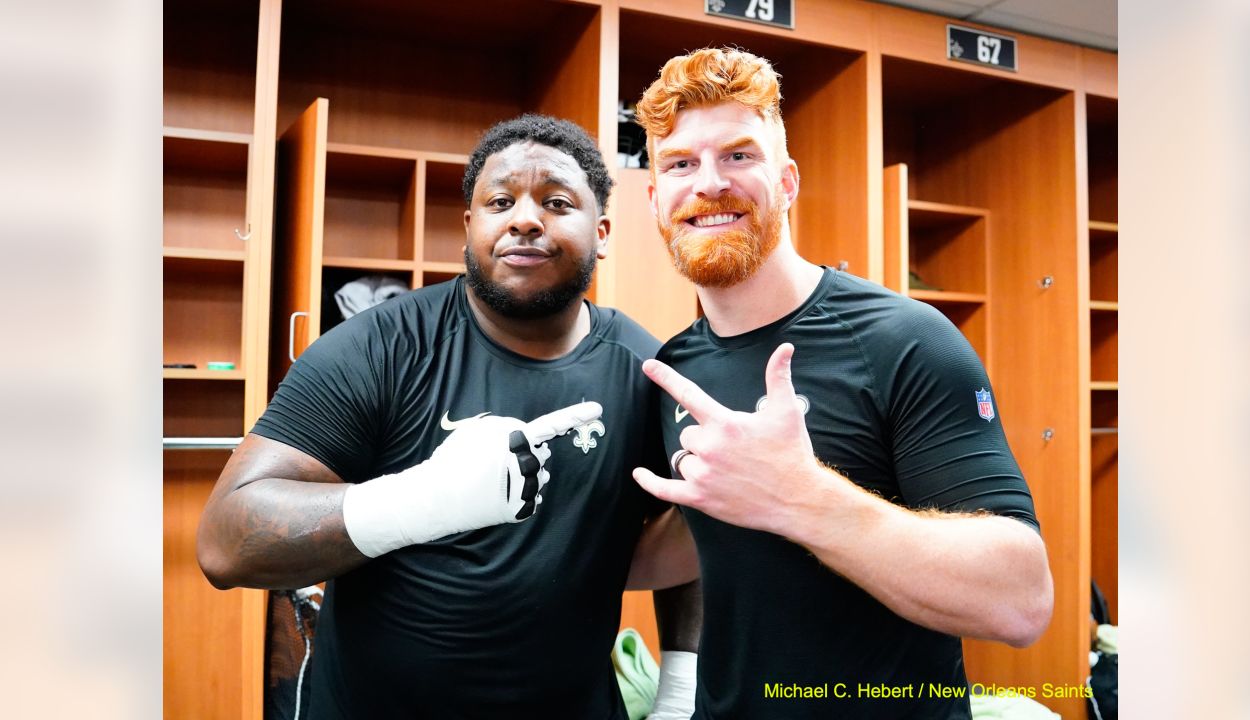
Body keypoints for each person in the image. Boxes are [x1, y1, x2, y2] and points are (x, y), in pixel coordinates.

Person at [197, 114, 697, 719]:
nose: (526, 219)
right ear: (469, 225)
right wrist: (425, 500)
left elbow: (694, 521)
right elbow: (225, 541)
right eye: (501, 201)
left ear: (604, 230)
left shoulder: (647, 369)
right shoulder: (381, 346)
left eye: (558, 202)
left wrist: (680, 689)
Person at [629, 48, 1055, 719]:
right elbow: (696, 536)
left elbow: (1020, 599)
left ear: (789, 181)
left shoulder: (906, 340)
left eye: (739, 155)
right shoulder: (672, 368)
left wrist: (799, 496)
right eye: (680, 163)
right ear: (655, 197)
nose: (708, 183)